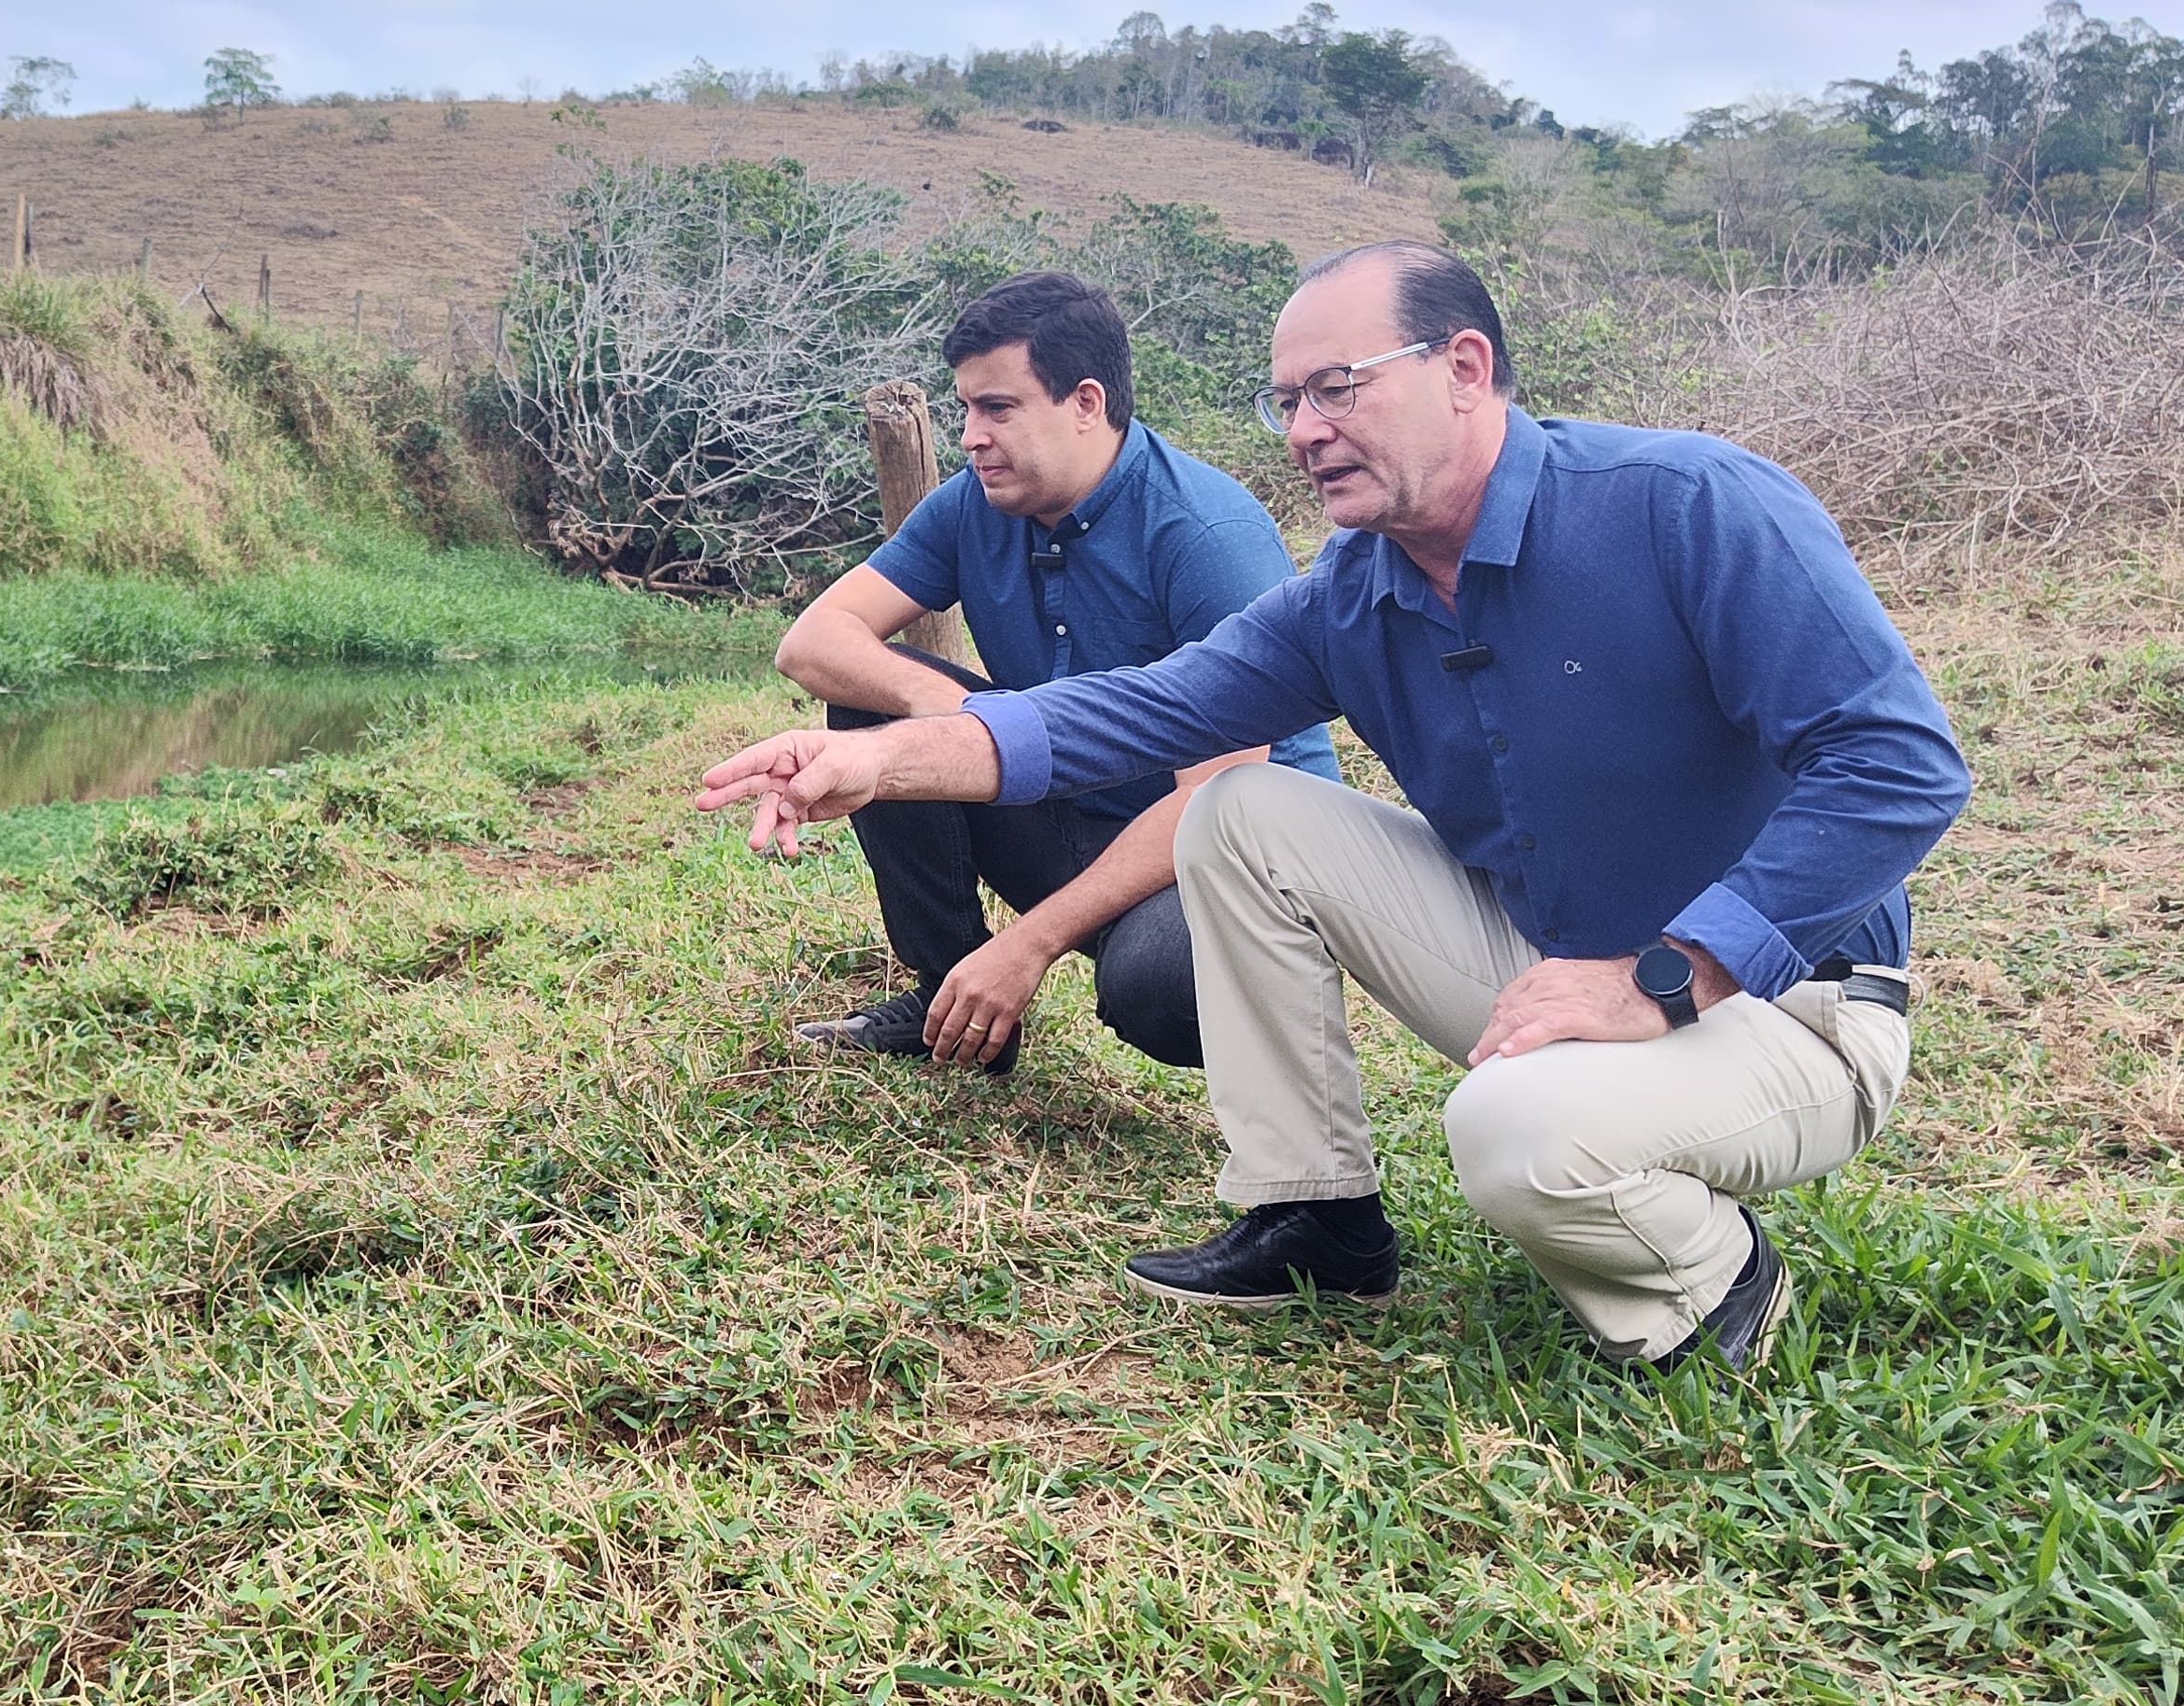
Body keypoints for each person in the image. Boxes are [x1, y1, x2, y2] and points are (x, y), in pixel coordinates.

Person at [696, 243, 1969, 1372]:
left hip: (1789, 1002)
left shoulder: (1684, 505)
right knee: (1244, 810)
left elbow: (1903, 763)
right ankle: (1316, 1218)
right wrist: (880, 761)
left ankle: (1716, 1281)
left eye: (1337, 387)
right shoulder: (1356, 589)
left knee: (1511, 1131)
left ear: (1465, 367)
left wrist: (1671, 970)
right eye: (1287, 398)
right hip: (1554, 962)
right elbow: (1139, 712)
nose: (1303, 429)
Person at [771, 271, 1338, 1078]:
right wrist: (950, 711)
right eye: (965, 408)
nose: (970, 435)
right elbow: (812, 642)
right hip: (1066, 806)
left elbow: (1221, 798)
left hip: (1222, 854)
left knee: (1162, 987)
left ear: (1085, 402)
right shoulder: (975, 503)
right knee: (870, 704)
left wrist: (1027, 946)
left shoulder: (1204, 531)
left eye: (997, 409)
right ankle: (953, 1007)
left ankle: (1261, 1037)